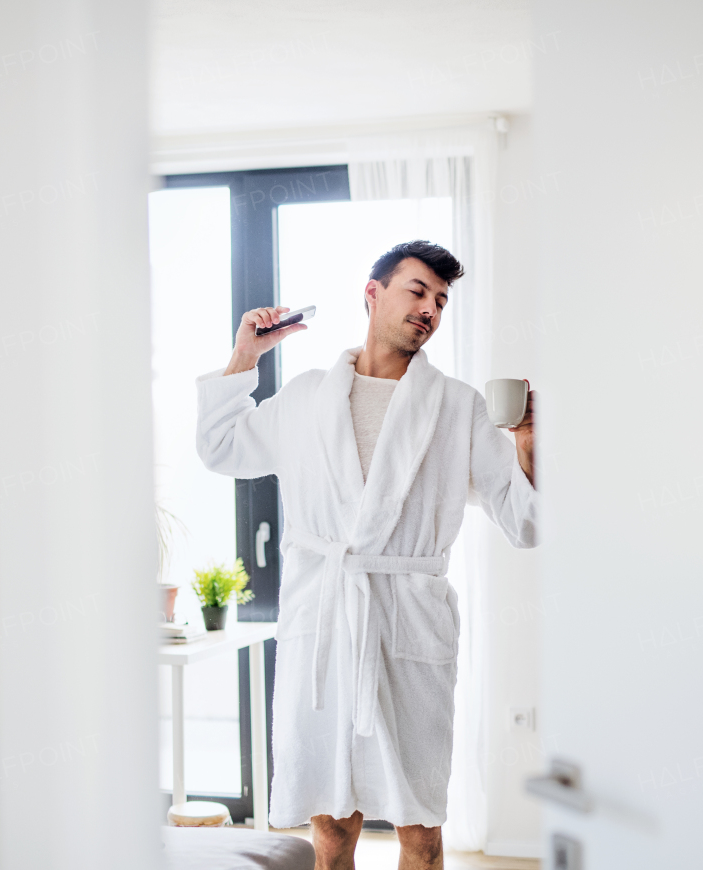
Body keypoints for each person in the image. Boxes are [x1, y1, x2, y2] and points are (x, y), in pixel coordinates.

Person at [196, 240, 538, 869]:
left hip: (409, 620)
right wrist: (247, 352)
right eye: (417, 291)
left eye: (440, 300)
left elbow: (527, 522)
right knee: (331, 831)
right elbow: (220, 447)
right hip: (324, 622)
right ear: (372, 293)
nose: (430, 309)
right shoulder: (304, 399)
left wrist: (528, 445)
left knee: (422, 832)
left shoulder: (460, 407)